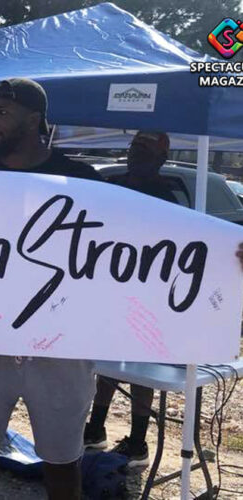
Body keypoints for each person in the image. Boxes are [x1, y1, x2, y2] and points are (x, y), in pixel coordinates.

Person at [0, 78, 103, 500]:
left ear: (34, 119)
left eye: (2, 112)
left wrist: (223, 252)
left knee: (62, 459)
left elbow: (138, 241)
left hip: (61, 338)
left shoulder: (81, 179)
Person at [84, 131, 178, 467]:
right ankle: (95, 428)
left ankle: (137, 441)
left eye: (146, 151)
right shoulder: (113, 185)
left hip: (146, 296)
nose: (136, 155)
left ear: (161, 159)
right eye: (134, 148)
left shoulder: (166, 197)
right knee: (106, 362)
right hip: (109, 288)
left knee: (139, 369)